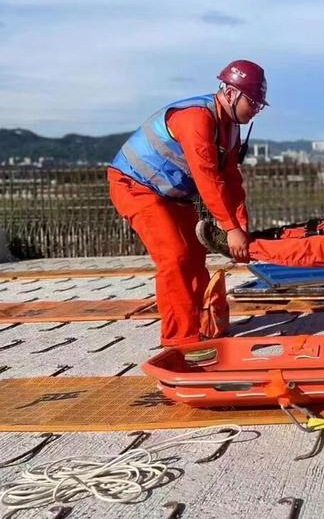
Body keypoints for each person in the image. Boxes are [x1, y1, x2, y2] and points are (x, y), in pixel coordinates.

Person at [108, 59, 267, 347]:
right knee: (176, 257)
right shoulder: (196, 119)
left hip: (172, 195)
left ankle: (203, 325)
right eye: (253, 102)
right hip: (136, 186)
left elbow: (230, 178)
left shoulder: (231, 126)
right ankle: (180, 340)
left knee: (195, 256)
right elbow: (207, 177)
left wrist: (241, 224)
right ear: (231, 93)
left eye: (259, 104)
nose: (255, 109)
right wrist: (230, 228)